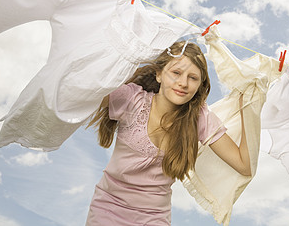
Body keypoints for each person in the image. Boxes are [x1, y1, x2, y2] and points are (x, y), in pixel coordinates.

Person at [85, 41, 251, 225]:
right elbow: (85, 92)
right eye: (176, 73)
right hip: (108, 209)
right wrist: (129, 52)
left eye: (193, 78)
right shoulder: (132, 99)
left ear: (199, 86)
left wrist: (249, 105)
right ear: (159, 74)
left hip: (154, 218)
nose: (183, 83)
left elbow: (244, 164)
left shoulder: (199, 118)